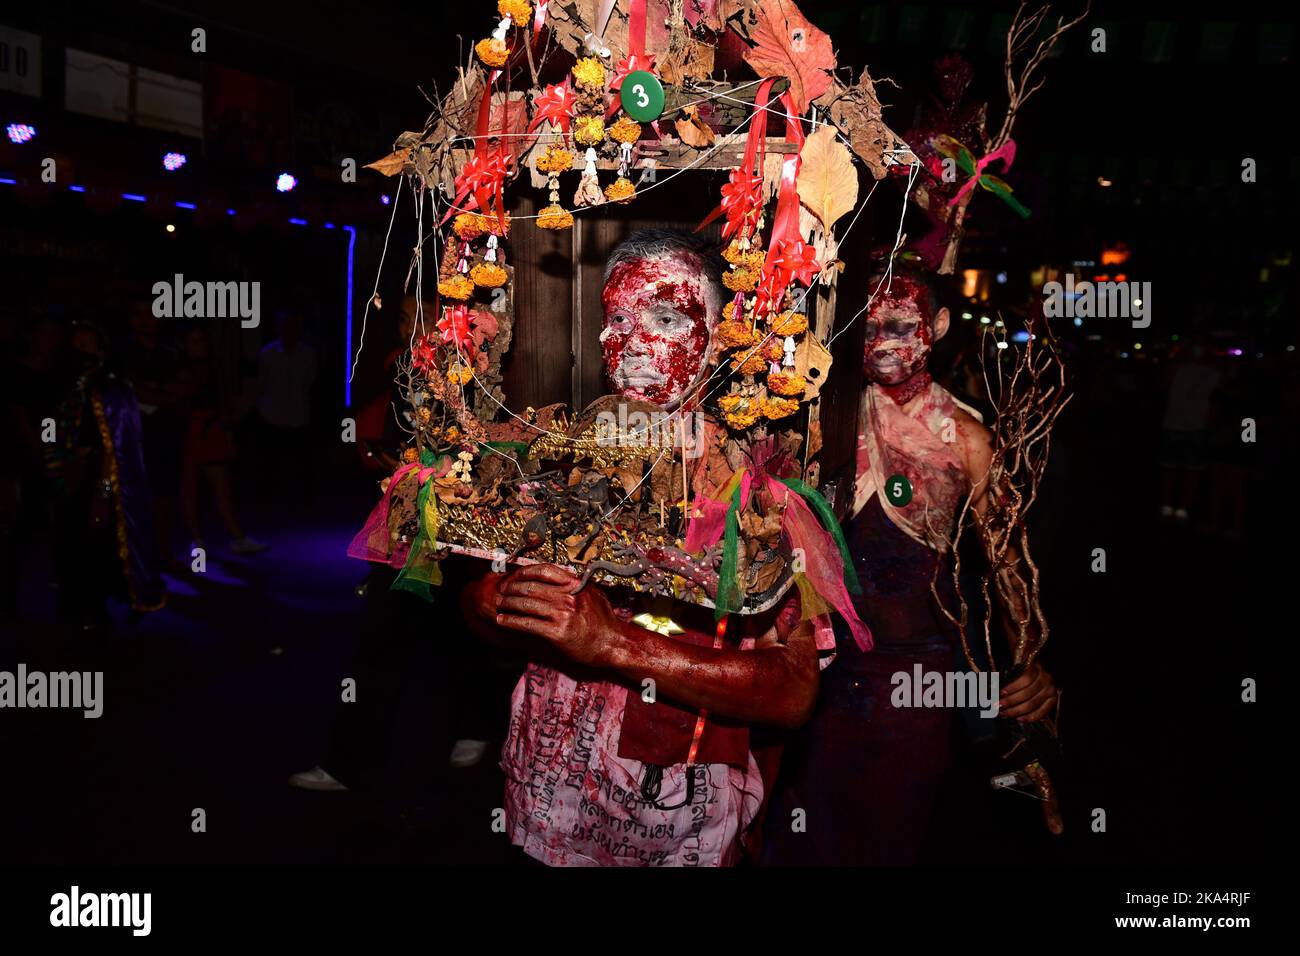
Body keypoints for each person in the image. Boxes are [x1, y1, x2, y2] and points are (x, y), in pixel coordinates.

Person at [460, 229, 837, 866]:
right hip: (547, 803)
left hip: (669, 825)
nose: (632, 344)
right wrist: (499, 601)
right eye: (617, 319)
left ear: (719, 337)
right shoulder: (551, 453)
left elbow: (792, 690)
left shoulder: (761, 491)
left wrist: (613, 644)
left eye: (664, 318)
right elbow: (480, 610)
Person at [761, 270, 1057, 865]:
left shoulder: (966, 439)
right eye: (868, 328)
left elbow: (1007, 566)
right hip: (817, 665)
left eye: (901, 325)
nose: (884, 343)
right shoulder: (827, 416)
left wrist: (1031, 665)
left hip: (915, 681)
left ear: (938, 327)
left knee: (884, 835)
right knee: (795, 833)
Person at [178, 325, 267, 555]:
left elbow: (223, 403)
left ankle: (237, 537)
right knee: (189, 488)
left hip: (213, 429)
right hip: (188, 430)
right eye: (195, 341)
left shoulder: (214, 368)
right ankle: (196, 540)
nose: (201, 346)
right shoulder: (181, 369)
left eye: (203, 341)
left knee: (221, 488)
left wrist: (227, 432)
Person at [256, 309, 317, 495]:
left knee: (298, 464)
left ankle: (299, 499)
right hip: (272, 417)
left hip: (299, 416)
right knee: (273, 465)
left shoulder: (308, 354)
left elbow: (310, 381)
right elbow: (261, 382)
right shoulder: (267, 354)